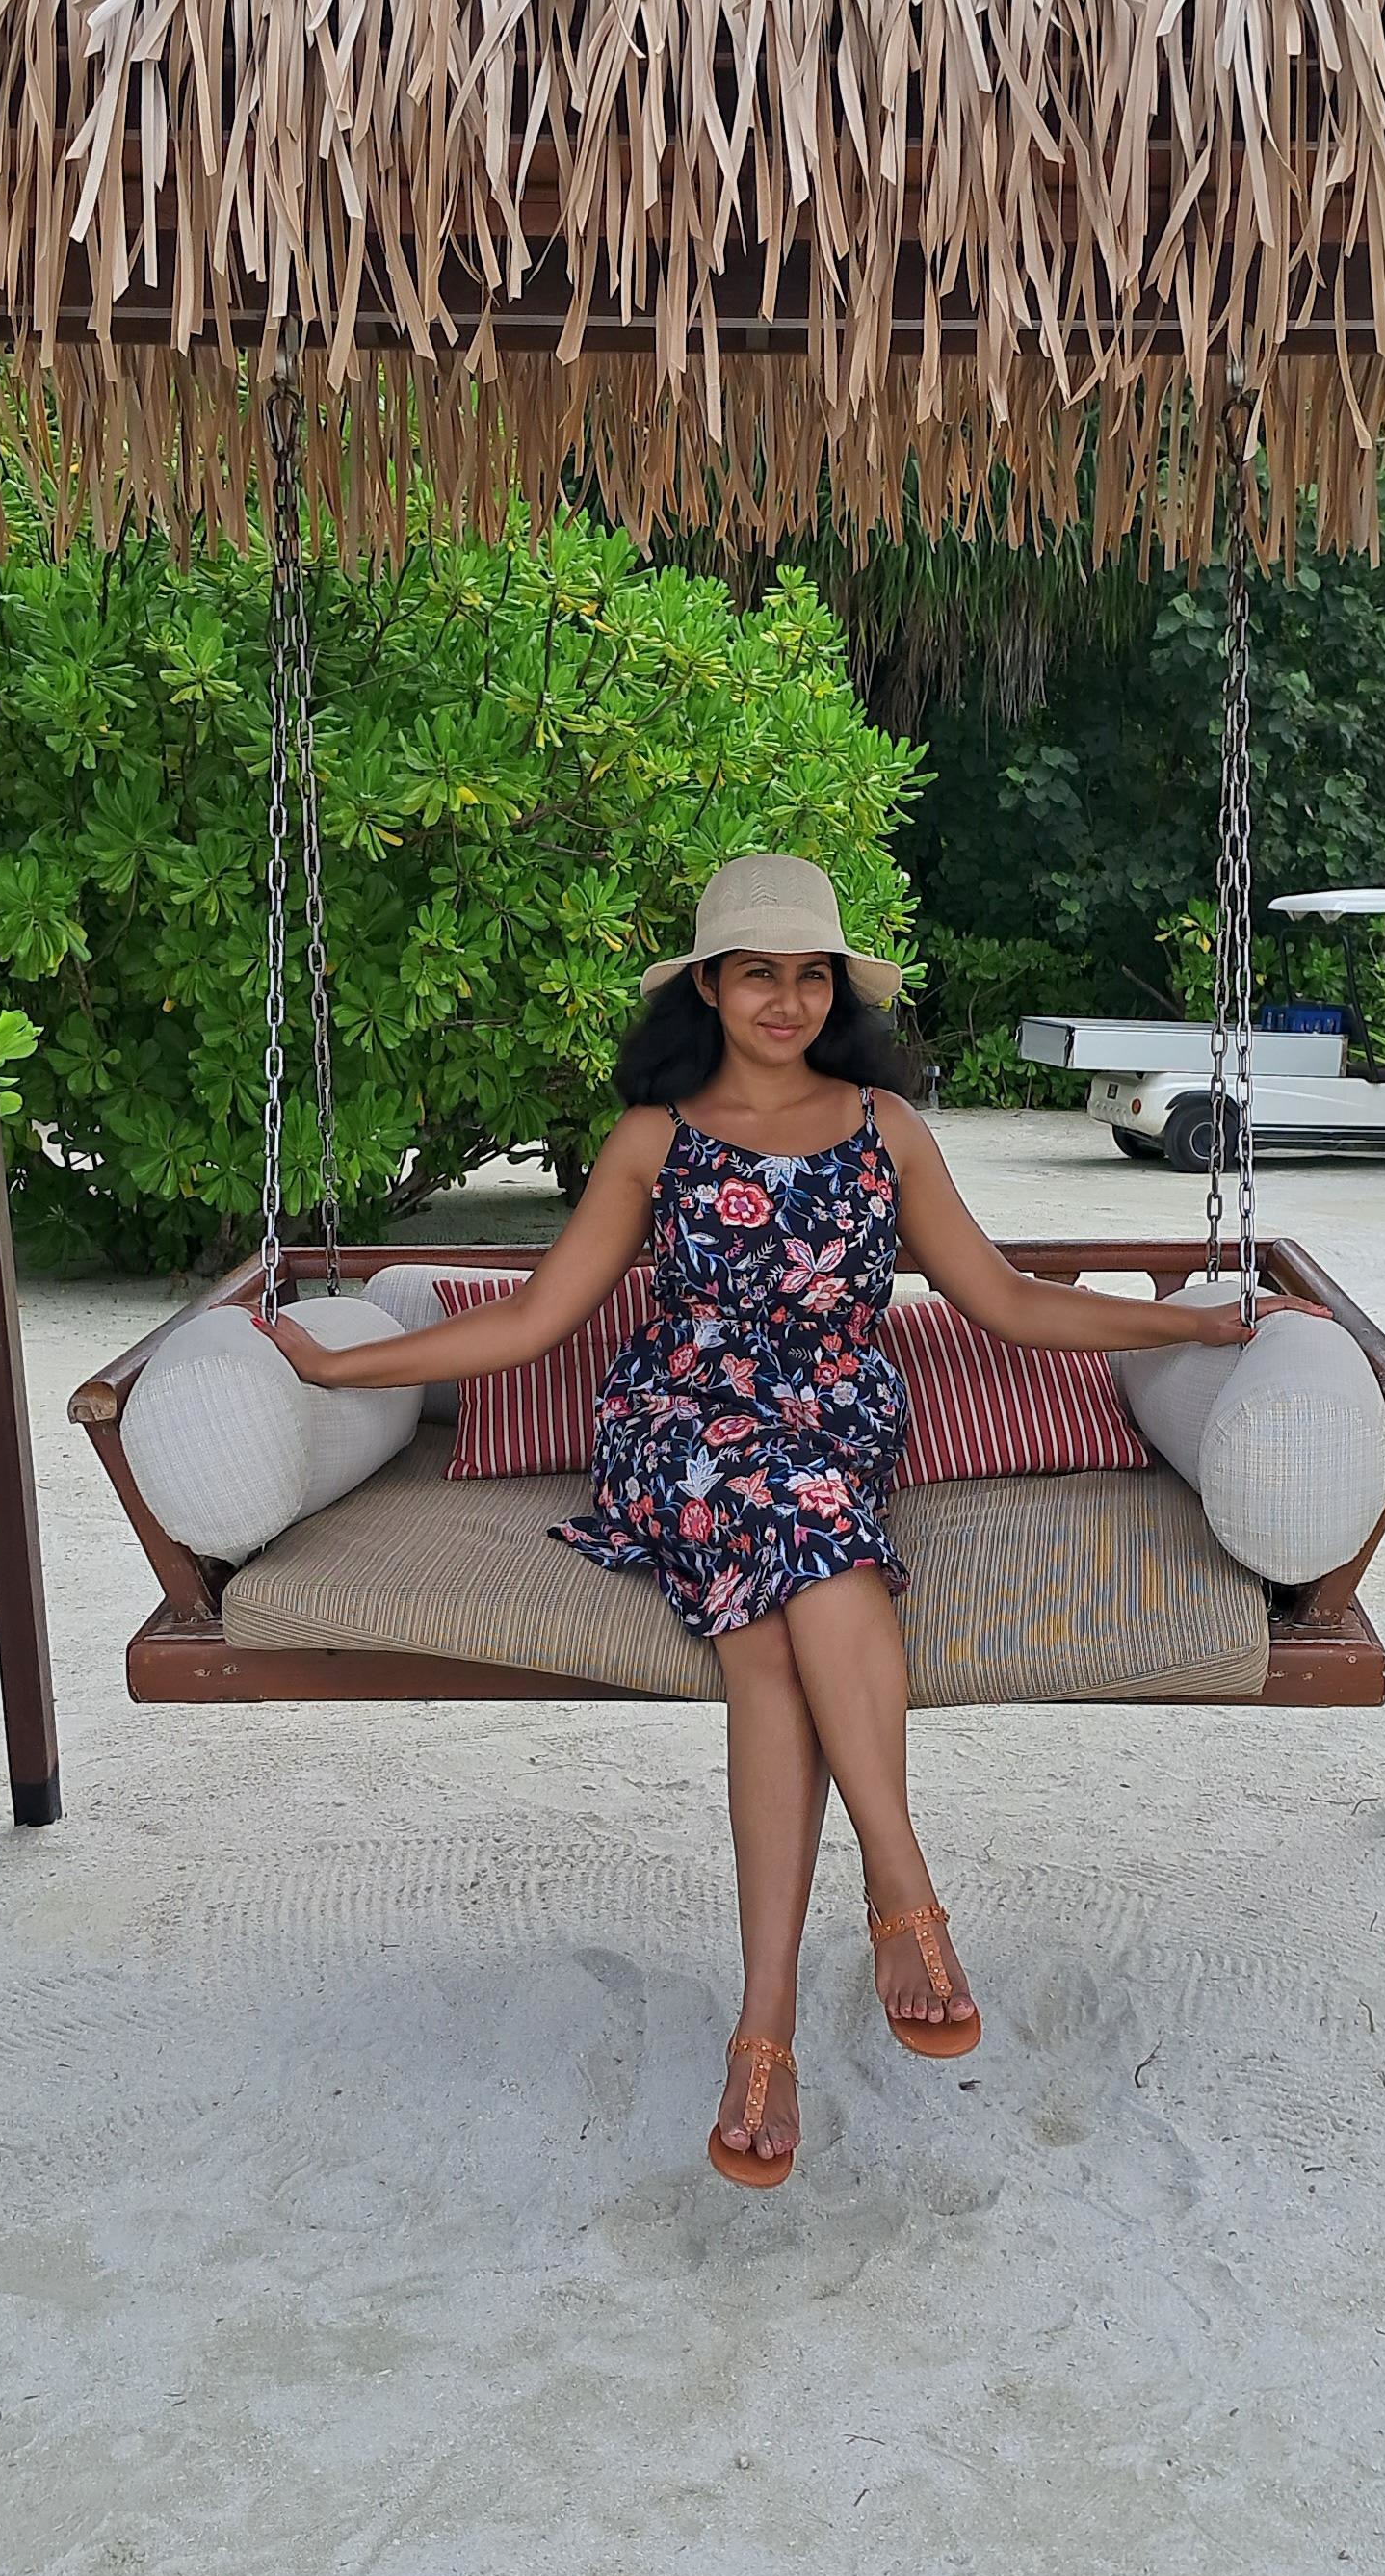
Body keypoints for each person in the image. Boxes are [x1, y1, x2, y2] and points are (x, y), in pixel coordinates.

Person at [270, 854, 1312, 2192]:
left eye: (810, 973)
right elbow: (538, 1322)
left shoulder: (885, 1127)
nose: (787, 998)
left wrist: (1206, 1319)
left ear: (836, 990)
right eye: (758, 971)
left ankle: (766, 2028)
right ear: (708, 985)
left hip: (830, 1427)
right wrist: (339, 1369)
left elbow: (1006, 1301)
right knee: (804, 1576)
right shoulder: (655, 1137)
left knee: (777, 1619)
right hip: (680, 1430)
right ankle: (898, 1893)